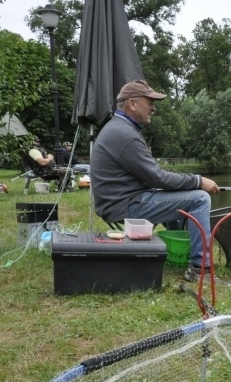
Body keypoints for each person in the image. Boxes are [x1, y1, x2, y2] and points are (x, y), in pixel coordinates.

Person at [90, 79, 220, 282]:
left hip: (124, 200)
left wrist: (179, 181)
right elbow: (157, 178)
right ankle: (199, 269)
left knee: (183, 196)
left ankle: (177, 256)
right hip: (125, 205)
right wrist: (198, 180)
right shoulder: (125, 135)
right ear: (132, 104)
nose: (153, 108)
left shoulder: (119, 128)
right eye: (149, 102)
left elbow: (152, 175)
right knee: (200, 199)